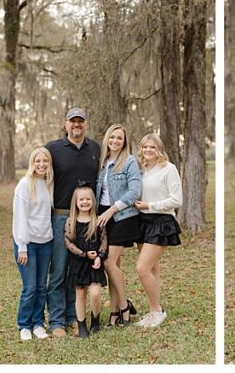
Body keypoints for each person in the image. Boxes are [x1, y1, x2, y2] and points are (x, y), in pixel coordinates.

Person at [44, 107, 101, 336]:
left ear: (86, 124)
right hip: (60, 215)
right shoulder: (53, 149)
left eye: (80, 121)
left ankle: (74, 317)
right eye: (72, 121)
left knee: (76, 270)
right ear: (65, 124)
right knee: (58, 270)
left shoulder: (95, 148)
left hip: (87, 218)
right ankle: (57, 321)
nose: (76, 125)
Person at [133, 133, 183, 328]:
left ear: (159, 149)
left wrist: (149, 205)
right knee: (152, 269)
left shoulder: (168, 169)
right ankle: (153, 310)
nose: (148, 150)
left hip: (161, 221)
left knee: (142, 268)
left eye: (152, 147)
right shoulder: (141, 169)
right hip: (143, 222)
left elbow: (176, 200)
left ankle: (157, 311)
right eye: (145, 147)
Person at [94, 124, 141, 327]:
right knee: (114, 266)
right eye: (112, 137)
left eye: (119, 138)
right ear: (107, 139)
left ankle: (124, 307)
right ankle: (114, 313)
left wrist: (112, 210)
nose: (115, 141)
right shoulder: (102, 162)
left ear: (124, 142)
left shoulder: (129, 161)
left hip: (123, 216)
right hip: (102, 217)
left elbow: (135, 191)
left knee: (108, 262)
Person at [12, 147, 54, 341]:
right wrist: (22, 245)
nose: (41, 164)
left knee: (41, 287)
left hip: (46, 242)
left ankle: (38, 323)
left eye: (45, 161)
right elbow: (20, 217)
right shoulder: (24, 184)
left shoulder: (49, 183)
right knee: (29, 288)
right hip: (27, 244)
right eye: (38, 161)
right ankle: (24, 325)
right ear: (32, 162)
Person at [65, 185, 109, 337]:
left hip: (94, 263)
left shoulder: (98, 220)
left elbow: (104, 241)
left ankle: (95, 319)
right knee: (80, 294)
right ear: (75, 202)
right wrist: (83, 254)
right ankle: (82, 324)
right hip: (79, 262)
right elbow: (68, 243)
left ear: (93, 201)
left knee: (95, 293)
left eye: (88, 199)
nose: (85, 202)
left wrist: (99, 256)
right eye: (81, 199)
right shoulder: (71, 221)